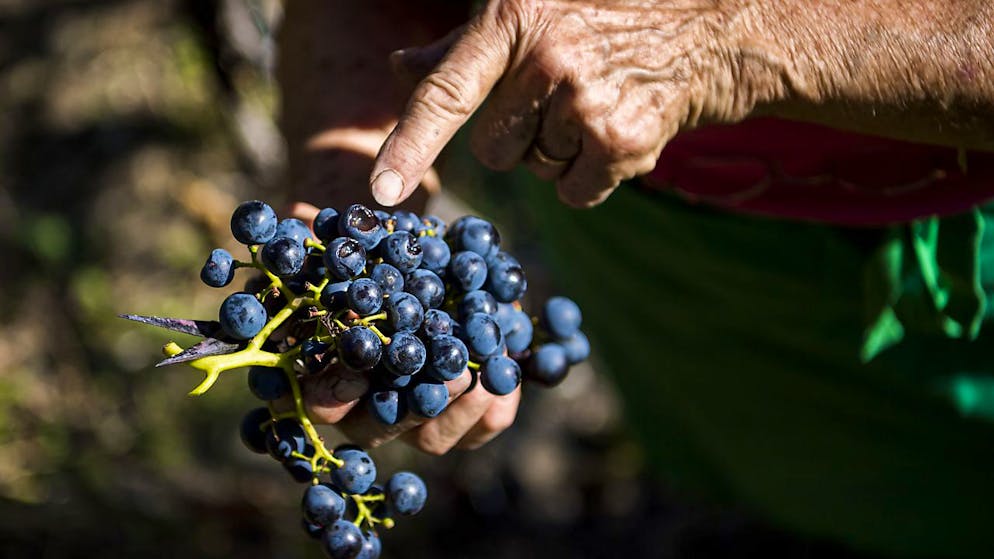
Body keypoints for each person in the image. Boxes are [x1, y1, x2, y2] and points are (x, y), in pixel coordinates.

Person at [278, 1, 994, 557]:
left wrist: (726, 45)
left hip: (958, 219)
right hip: (625, 199)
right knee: (805, 484)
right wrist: (352, 171)